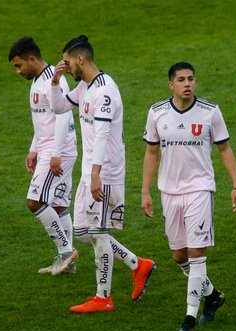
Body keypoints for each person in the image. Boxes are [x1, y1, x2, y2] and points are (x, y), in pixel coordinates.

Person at [48, 35, 156, 313]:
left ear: (81, 59)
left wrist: (96, 173)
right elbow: (59, 107)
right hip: (90, 171)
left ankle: (103, 297)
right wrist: (55, 82)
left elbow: (104, 134)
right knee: (83, 232)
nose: (66, 66)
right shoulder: (85, 86)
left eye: (68, 62)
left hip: (104, 172)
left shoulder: (105, 91)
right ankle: (137, 264)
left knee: (97, 233)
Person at [141, 62, 236, 331]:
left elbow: (224, 149)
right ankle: (212, 295)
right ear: (171, 85)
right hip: (169, 193)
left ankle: (189, 317)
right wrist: (146, 191)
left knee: (197, 253)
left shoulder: (210, 112)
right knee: (179, 256)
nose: (187, 83)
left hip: (200, 190)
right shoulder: (157, 113)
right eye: (181, 80)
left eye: (191, 79)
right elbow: (151, 153)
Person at [9, 36, 79, 275]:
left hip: (59, 149)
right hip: (50, 147)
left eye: (19, 65)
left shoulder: (54, 81)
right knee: (58, 204)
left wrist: (55, 153)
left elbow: (63, 116)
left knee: (35, 201)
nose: (18, 71)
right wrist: (34, 148)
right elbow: (43, 121)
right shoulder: (38, 80)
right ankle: (69, 264)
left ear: (31, 59)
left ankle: (66, 252)